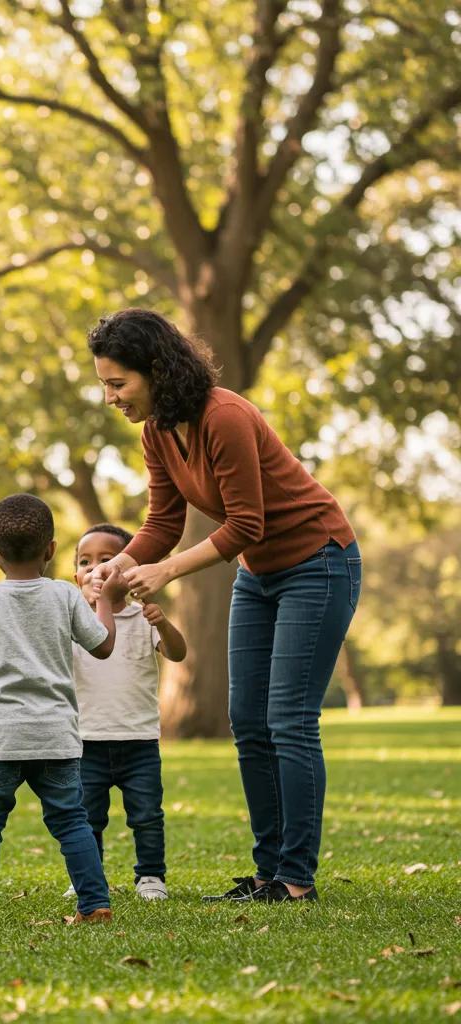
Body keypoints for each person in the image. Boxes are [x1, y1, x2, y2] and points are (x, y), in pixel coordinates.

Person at [88, 308, 361, 904]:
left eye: (118, 383)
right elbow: (162, 521)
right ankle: (267, 873)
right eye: (104, 383)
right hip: (260, 576)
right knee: (248, 721)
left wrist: (166, 569)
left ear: (156, 370)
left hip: (318, 562)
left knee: (288, 719)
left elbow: (246, 522)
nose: (109, 396)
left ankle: (295, 880)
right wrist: (120, 563)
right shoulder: (157, 432)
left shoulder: (225, 416)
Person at [0, 494, 127, 926]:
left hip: (0, 738)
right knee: (73, 822)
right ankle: (94, 904)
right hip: (55, 736)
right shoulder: (64, 595)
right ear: (52, 549)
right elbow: (104, 645)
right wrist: (107, 600)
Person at [64, 523, 186, 903]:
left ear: (130, 569)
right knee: (86, 818)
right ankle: (87, 876)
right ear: (76, 575)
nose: (95, 568)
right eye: (86, 562)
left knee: (147, 816)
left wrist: (163, 622)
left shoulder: (142, 617)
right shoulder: (73, 621)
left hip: (139, 741)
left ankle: (150, 876)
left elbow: (178, 653)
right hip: (87, 741)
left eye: (106, 560)